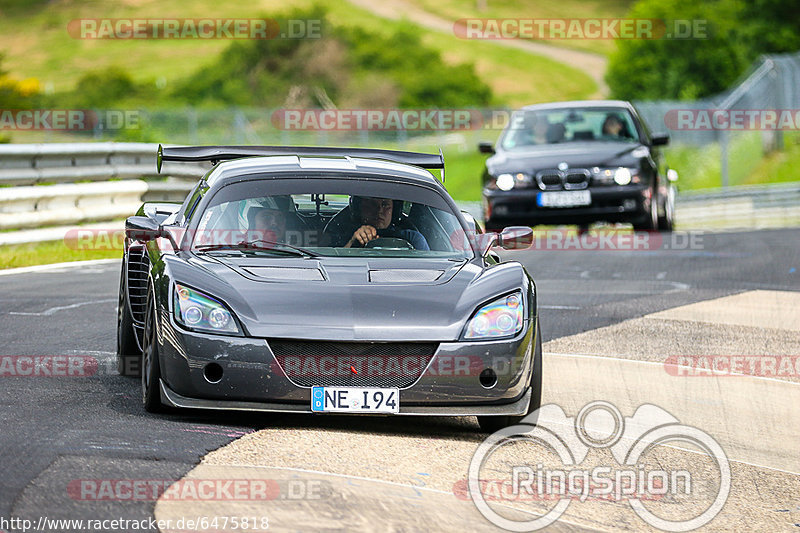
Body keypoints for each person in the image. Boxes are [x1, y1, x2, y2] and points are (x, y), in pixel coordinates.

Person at [343, 197, 429, 250]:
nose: (379, 210)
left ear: (394, 210)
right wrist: (353, 242)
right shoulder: (344, 233)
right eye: (372, 204)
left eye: (385, 205)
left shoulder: (412, 239)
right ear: (359, 208)